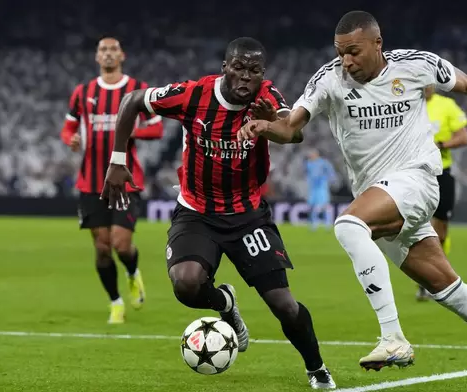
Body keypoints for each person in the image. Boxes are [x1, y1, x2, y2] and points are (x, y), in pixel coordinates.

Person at [238, 11, 467, 388]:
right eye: (341, 52)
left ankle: (393, 337)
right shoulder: (329, 79)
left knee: (347, 225)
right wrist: (266, 126)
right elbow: (291, 127)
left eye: (354, 52)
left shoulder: (415, 65)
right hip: (378, 195)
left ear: (378, 44)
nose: (347, 61)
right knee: (448, 291)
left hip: (418, 181)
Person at [100, 37, 336, 390]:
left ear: (262, 74)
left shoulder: (267, 97)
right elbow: (133, 100)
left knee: (283, 305)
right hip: (197, 212)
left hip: (248, 215)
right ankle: (225, 302)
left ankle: (316, 368)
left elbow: (293, 133)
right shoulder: (192, 95)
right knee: (186, 283)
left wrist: (268, 123)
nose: (245, 78)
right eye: (238, 68)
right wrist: (117, 160)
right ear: (225, 67)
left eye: (253, 71)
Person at [61, 37, 163, 324]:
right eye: (102, 50)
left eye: (113, 49)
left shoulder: (138, 90)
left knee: (121, 244)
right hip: (90, 181)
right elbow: (67, 129)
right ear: (96, 57)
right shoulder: (83, 93)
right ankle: (116, 302)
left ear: (122, 55)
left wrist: (133, 133)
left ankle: (132, 273)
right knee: (102, 247)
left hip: (125, 178)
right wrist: (72, 139)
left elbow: (156, 130)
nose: (108, 54)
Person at [415, 86, 467, 301]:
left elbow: (464, 137)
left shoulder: (446, 105)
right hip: (414, 173)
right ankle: (424, 280)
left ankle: (435, 277)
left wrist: (441, 144)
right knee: (417, 228)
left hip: (441, 172)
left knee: (441, 231)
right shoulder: (407, 102)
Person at [305, 149, 336, 230]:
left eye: (312, 154)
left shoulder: (323, 162)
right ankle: (313, 224)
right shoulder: (308, 163)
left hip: (322, 187)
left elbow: (331, 172)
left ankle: (328, 224)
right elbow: (308, 175)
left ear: (317, 154)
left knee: (324, 206)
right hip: (313, 188)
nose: (310, 156)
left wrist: (328, 180)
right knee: (312, 206)